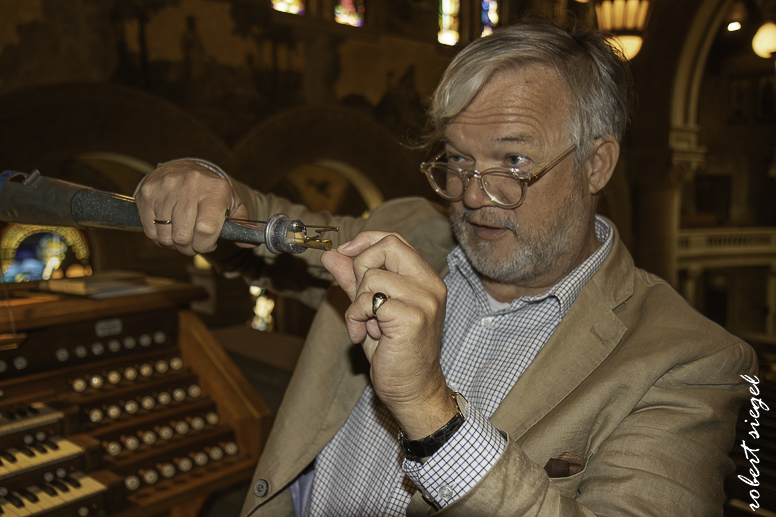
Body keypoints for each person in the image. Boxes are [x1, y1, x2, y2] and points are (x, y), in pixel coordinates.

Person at [135, 20, 757, 517]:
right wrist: (209, 187)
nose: (472, 195)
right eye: (458, 160)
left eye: (513, 162)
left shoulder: (690, 360)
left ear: (597, 164)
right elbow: (273, 229)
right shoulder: (412, 229)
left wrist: (429, 409)